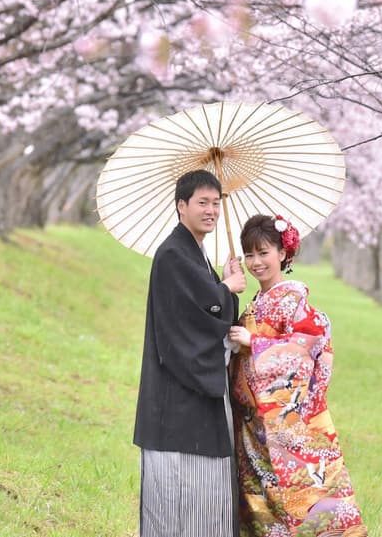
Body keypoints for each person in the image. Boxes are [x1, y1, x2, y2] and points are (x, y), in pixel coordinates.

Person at [227, 214, 367, 537]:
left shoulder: (293, 301)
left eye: (264, 253)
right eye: (249, 254)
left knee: (299, 500)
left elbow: (304, 351)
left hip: (286, 425)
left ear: (282, 253)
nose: (256, 262)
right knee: (261, 506)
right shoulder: (256, 303)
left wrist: (256, 343)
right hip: (253, 426)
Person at [134, 169, 248, 537]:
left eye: (217, 203)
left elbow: (208, 307)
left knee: (202, 500)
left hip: (189, 397)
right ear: (181, 206)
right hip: (177, 398)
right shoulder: (172, 254)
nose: (212, 210)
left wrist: (223, 283)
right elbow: (190, 321)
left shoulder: (192, 253)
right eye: (202, 202)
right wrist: (225, 289)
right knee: (177, 498)